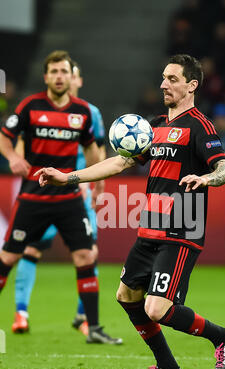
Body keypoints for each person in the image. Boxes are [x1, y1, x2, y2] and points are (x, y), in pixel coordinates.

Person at [36, 54, 225, 369]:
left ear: (192, 85)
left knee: (156, 309)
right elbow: (120, 163)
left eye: (172, 79)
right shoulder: (155, 126)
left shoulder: (199, 126)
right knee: (126, 296)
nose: (164, 84)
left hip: (181, 228)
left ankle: (224, 338)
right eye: (163, 78)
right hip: (151, 229)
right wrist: (67, 177)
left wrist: (205, 179)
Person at [0, 50, 122, 345]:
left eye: (63, 71)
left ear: (72, 77)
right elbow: (4, 136)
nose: (58, 76)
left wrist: (99, 180)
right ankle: (22, 312)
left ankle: (92, 327)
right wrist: (11, 158)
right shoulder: (30, 106)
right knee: (9, 256)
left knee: (86, 255)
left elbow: (93, 150)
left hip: (69, 198)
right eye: (53, 71)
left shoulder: (81, 112)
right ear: (46, 77)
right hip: (33, 198)